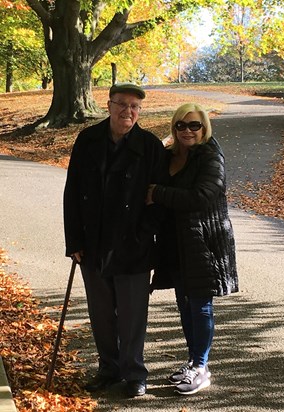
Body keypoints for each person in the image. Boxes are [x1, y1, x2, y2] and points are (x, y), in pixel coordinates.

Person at [63, 83, 167, 397]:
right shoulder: (87, 139)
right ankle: (109, 367)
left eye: (135, 106)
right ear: (108, 106)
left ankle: (134, 372)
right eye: (122, 104)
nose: (128, 111)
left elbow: (159, 199)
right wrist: (74, 241)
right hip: (93, 244)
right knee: (102, 313)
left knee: (133, 314)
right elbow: (72, 191)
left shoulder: (149, 146)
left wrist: (144, 232)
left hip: (133, 245)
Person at [146, 102, 238, 396]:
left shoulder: (211, 156)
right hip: (174, 244)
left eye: (194, 125)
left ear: (204, 128)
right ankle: (193, 362)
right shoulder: (169, 156)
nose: (187, 131)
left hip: (203, 243)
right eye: (181, 125)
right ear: (174, 128)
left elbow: (202, 196)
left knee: (200, 305)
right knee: (185, 304)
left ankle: (201, 367)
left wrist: (157, 193)